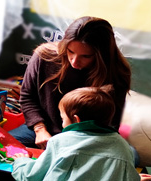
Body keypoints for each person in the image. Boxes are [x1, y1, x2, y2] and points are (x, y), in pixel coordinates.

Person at [9, 16, 132, 149]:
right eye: (70, 51)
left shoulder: (116, 72)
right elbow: (27, 96)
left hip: (88, 137)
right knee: (2, 146)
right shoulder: (44, 57)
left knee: (132, 156)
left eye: (86, 56)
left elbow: (111, 121)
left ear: (102, 55)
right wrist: (39, 129)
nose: (74, 61)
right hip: (43, 129)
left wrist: (75, 145)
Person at [11, 85, 140, 181]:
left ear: (76, 119)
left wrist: (21, 162)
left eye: (63, 119)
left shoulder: (59, 141)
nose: (62, 123)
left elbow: (32, 176)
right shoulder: (122, 147)